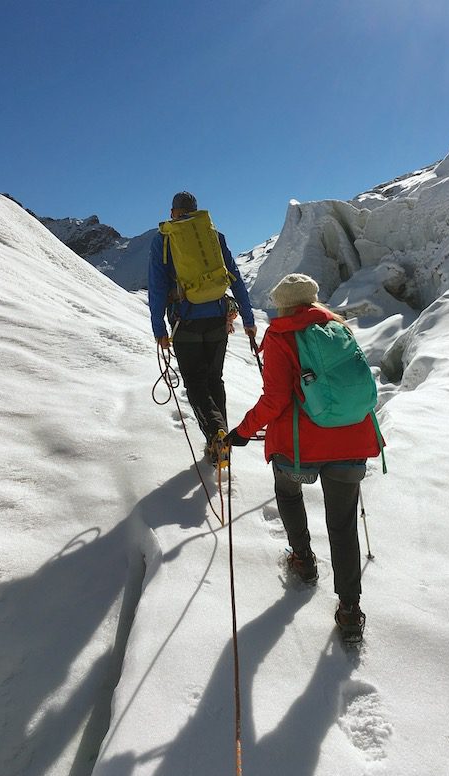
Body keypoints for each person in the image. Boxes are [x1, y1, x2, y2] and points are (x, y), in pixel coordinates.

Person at [225, 273, 382, 641]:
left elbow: (275, 400)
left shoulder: (281, 338)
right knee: (343, 524)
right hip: (351, 442)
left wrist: (244, 431)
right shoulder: (340, 330)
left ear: (284, 305)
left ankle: (303, 559)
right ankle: (349, 610)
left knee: (288, 491)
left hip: (301, 448)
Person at [148, 191, 256, 464]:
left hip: (186, 323)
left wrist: (158, 327)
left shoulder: (164, 240)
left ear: (173, 212)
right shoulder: (213, 236)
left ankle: (215, 435)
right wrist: (248, 319)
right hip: (218, 320)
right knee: (214, 379)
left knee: (195, 383)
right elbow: (235, 277)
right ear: (195, 211)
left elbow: (157, 287)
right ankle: (221, 441)